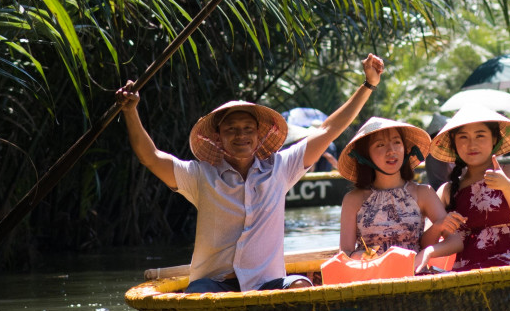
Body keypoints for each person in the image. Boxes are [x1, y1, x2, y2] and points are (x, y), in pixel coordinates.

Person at [121, 54, 384, 292]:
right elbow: (151, 158)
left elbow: (328, 130)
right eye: (231, 130)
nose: (241, 135)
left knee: (301, 285)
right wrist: (131, 111)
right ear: (218, 138)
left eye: (248, 129)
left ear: (259, 136)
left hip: (266, 284)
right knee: (199, 294)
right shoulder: (200, 176)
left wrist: (368, 85)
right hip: (214, 285)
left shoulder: (280, 168)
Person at [335, 117, 464, 270]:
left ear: (406, 149)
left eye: (397, 142)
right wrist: (362, 256)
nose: (391, 151)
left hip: (414, 276)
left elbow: (456, 241)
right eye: (380, 145)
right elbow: (345, 253)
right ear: (365, 155)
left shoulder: (423, 193)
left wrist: (427, 252)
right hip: (372, 277)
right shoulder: (353, 199)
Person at [431, 111, 510, 271]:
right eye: (463, 137)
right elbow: (426, 240)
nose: (472, 144)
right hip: (466, 274)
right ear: (454, 143)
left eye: (480, 136)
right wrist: (438, 226)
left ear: (494, 139)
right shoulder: (447, 190)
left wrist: (506, 186)